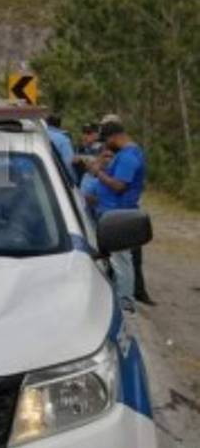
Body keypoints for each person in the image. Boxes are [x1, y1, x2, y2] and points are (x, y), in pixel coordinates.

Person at [87, 120, 147, 311]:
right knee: (111, 258)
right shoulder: (123, 154)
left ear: (115, 137)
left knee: (121, 259)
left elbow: (119, 186)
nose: (105, 144)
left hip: (119, 212)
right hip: (109, 211)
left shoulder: (129, 157)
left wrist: (98, 173)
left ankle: (125, 300)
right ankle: (118, 295)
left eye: (107, 140)